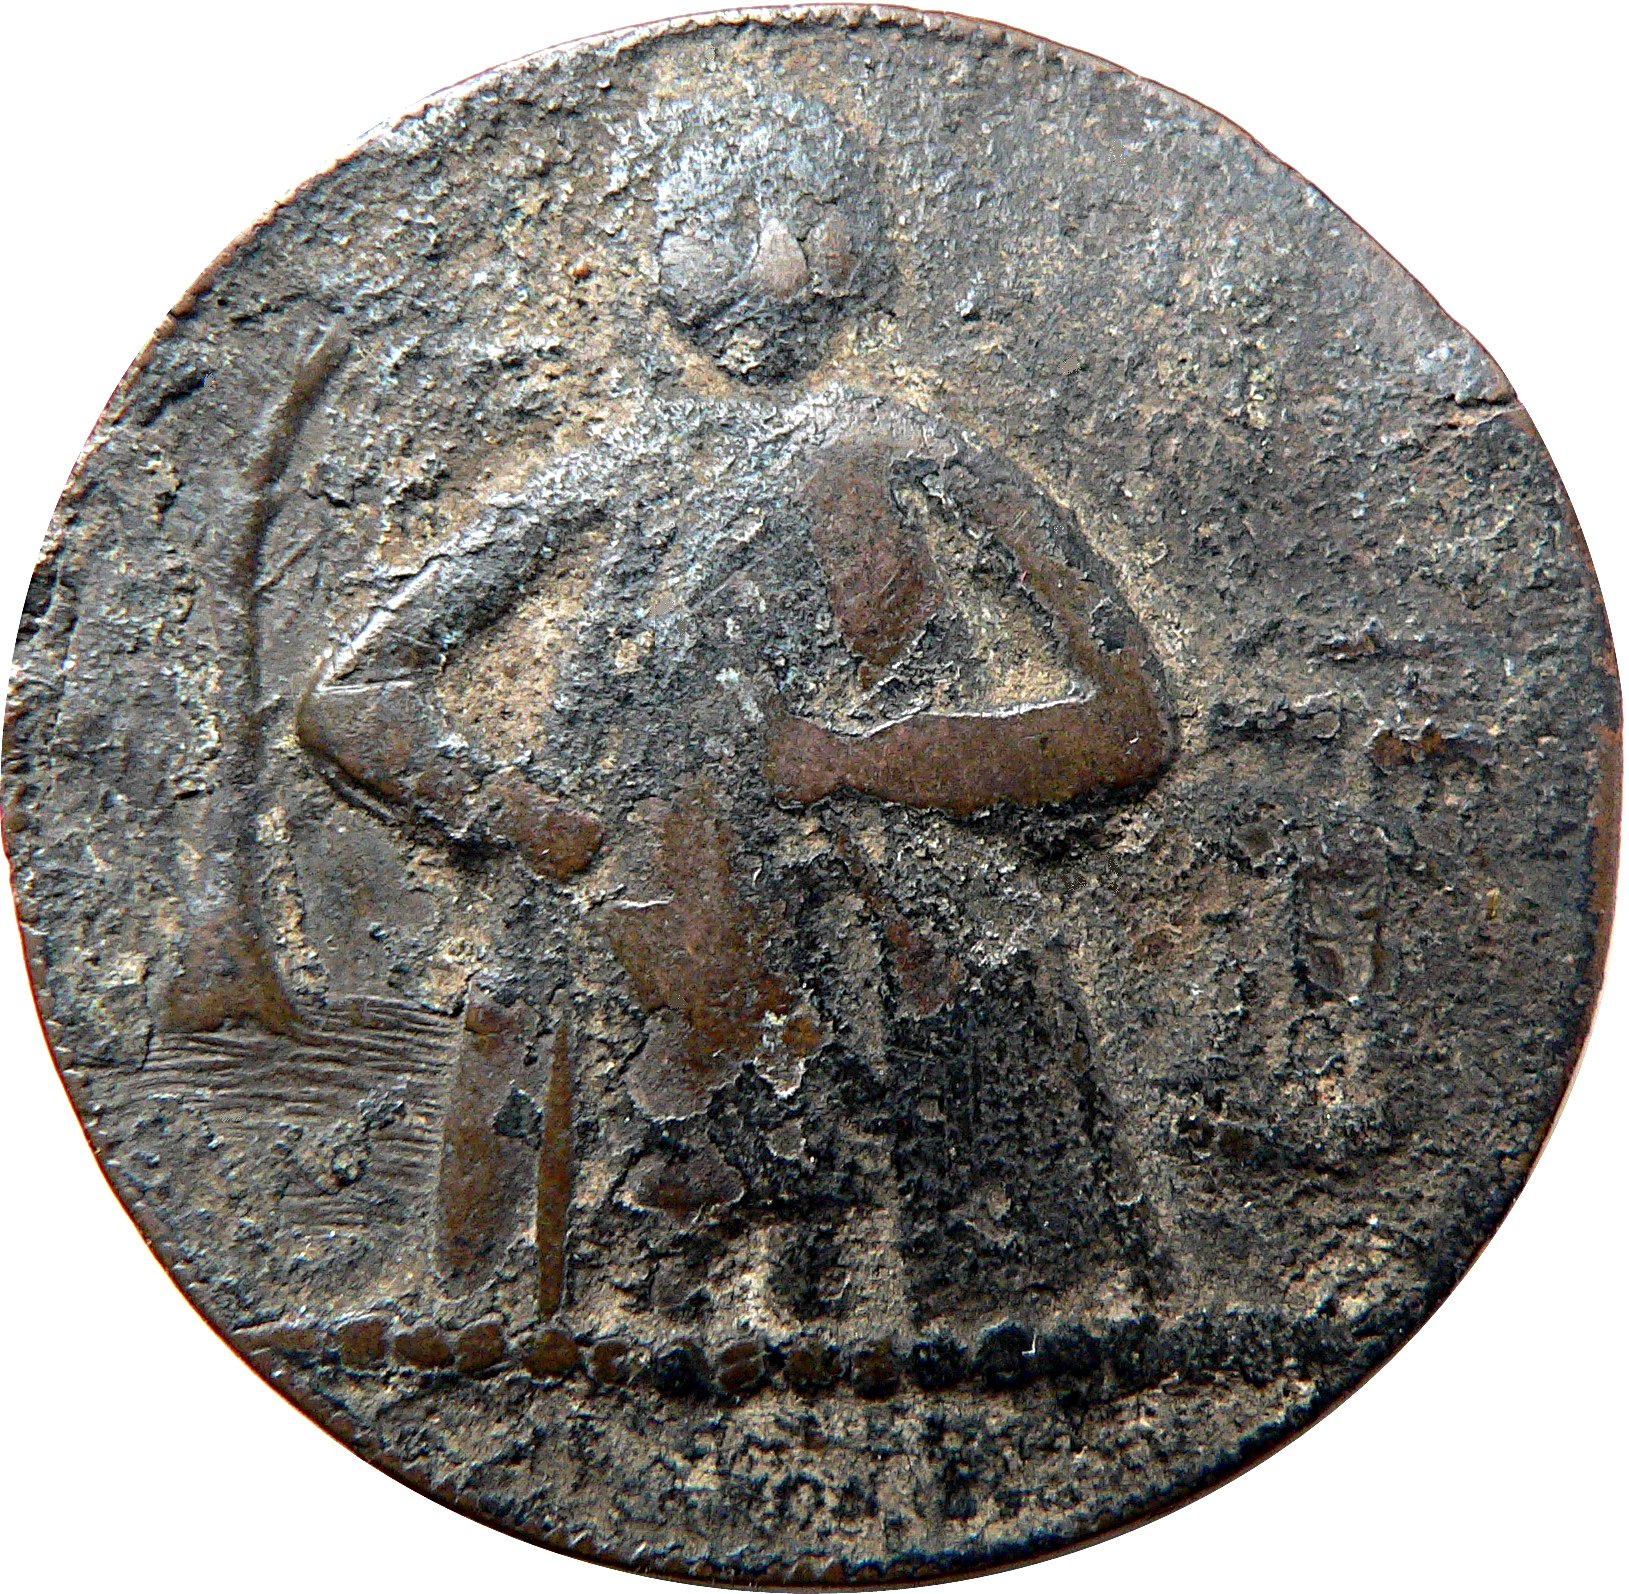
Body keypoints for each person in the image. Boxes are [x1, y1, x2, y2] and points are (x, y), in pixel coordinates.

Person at [297, 90, 1174, 1351]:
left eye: (807, 229)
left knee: (986, 1330)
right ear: (666, 266)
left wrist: (867, 760)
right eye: (723, 230)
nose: (772, 268)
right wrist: (528, 815)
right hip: (630, 993)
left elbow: (1132, 726)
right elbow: (347, 701)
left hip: (915, 991)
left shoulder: (913, 457)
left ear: (854, 258)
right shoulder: (619, 475)